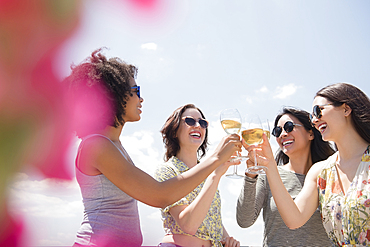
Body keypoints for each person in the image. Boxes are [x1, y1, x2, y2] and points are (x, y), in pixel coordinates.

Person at [65, 49, 242, 247]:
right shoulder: (96, 145)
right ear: (112, 94)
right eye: (136, 91)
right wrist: (216, 159)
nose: (141, 99)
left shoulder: (114, 145)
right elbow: (159, 195)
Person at [244, 83, 370, 246]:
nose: (315, 120)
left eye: (318, 111)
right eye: (311, 117)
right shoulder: (321, 171)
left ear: (346, 109)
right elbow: (294, 219)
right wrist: (269, 165)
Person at [236, 107, 334, 246]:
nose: (282, 134)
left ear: (311, 133)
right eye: (277, 131)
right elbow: (244, 221)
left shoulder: (329, 175)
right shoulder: (269, 175)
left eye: (289, 127)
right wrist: (251, 175)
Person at [154, 104, 240, 247]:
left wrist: (227, 239)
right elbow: (188, 225)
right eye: (190, 121)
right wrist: (215, 175)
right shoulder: (167, 171)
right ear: (174, 130)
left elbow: (210, 217)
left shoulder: (207, 172)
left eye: (202, 122)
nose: (198, 126)